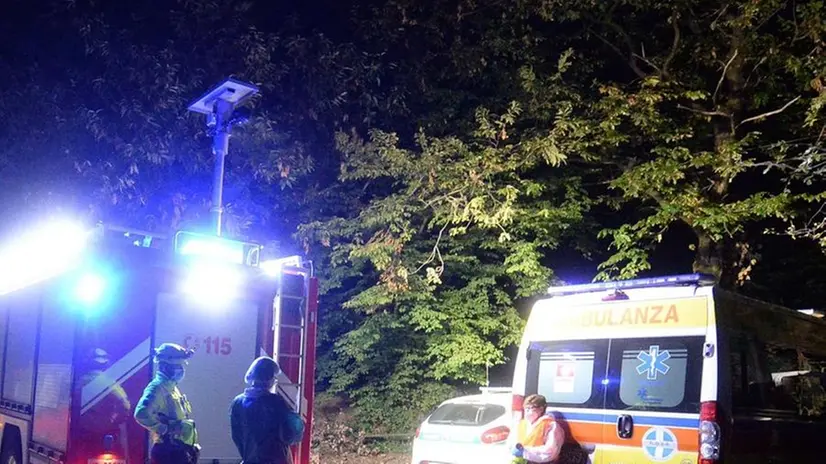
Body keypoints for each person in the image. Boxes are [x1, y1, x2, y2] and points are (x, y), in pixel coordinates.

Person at [230, 356, 305, 464]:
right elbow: (292, 432)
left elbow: (237, 437)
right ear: (269, 378)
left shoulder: (237, 403)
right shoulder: (275, 403)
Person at [134, 343, 200, 464]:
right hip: (168, 452)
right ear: (165, 366)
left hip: (178, 450)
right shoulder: (157, 388)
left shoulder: (171, 386)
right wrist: (164, 429)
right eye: (178, 366)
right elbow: (141, 413)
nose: (181, 369)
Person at [510, 394, 565, 463]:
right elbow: (511, 442)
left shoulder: (551, 426)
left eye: (532, 408)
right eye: (527, 408)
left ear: (541, 409)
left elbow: (550, 451)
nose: (528, 411)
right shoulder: (521, 424)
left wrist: (525, 452)